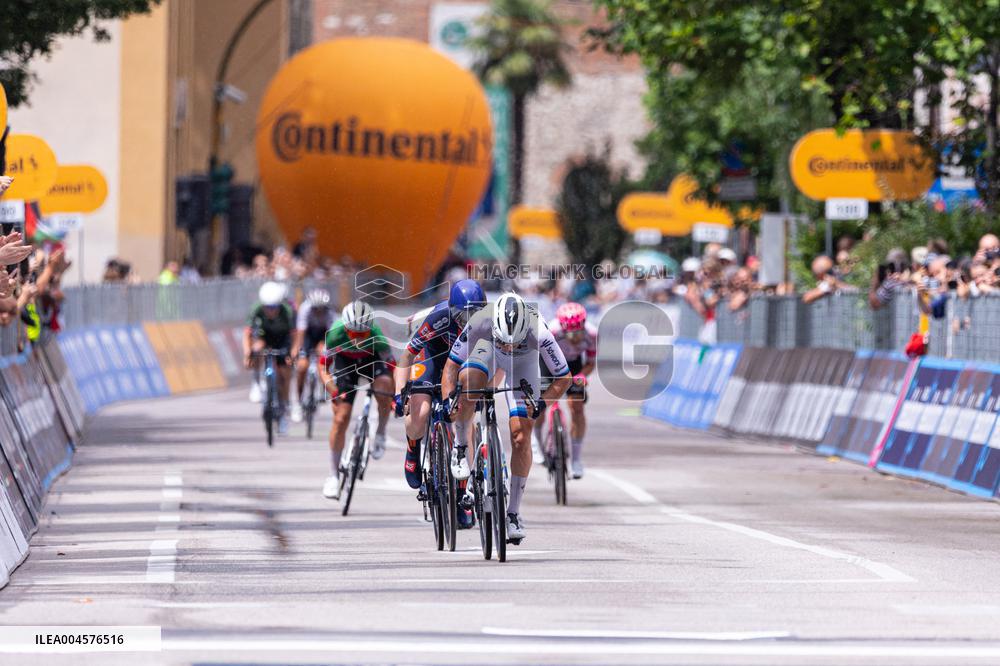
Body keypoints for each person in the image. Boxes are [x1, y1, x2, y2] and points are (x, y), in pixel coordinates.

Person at [442, 292, 572, 542]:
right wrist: (451, 402)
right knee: (469, 381)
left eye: (514, 342)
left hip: (524, 364)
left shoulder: (540, 332)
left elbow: (564, 377)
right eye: (505, 341)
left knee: (521, 437)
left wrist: (543, 404)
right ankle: (460, 446)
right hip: (487, 350)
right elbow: (451, 366)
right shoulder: (481, 320)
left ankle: (512, 513)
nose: (509, 347)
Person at [394, 279, 486, 529]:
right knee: (421, 411)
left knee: (464, 423)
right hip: (433, 359)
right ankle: (413, 447)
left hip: (461, 365)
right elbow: (407, 356)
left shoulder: (487, 323)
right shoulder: (439, 317)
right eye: (463, 314)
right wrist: (399, 393)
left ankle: (462, 495)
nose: (468, 319)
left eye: (475, 313)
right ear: (452, 309)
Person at [320, 300, 394, 500]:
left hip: (372, 359)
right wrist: (333, 391)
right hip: (345, 364)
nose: (358, 339)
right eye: (353, 334)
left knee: (384, 386)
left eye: (363, 335)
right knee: (340, 418)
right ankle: (333, 476)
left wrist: (392, 398)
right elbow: (323, 368)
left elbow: (391, 367)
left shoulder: (377, 336)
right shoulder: (334, 334)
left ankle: (380, 432)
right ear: (346, 328)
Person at [533, 302, 597, 479]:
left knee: (577, 406)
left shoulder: (592, 334)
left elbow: (591, 363)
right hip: (549, 363)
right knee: (540, 405)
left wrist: (583, 375)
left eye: (578, 333)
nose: (574, 338)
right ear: (562, 328)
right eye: (570, 333)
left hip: (574, 365)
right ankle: (536, 441)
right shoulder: (551, 331)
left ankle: (576, 459)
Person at [243, 282, 295, 433]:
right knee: (256, 348)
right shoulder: (256, 309)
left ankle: (284, 408)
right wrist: (247, 353)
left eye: (273, 307)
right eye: (267, 307)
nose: (270, 311)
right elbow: (247, 334)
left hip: (283, 338)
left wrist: (292, 352)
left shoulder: (287, 311)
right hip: (265, 336)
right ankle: (256, 382)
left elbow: (295, 335)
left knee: (284, 374)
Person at [290, 288, 336, 423]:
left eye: (321, 308)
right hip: (308, 335)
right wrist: (296, 350)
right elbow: (300, 333)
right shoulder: (305, 309)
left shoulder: (330, 312)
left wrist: (328, 352)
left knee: (322, 356)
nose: (319, 311)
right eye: (316, 308)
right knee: (302, 367)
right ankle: (298, 402)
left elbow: (331, 335)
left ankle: (323, 387)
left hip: (323, 335)